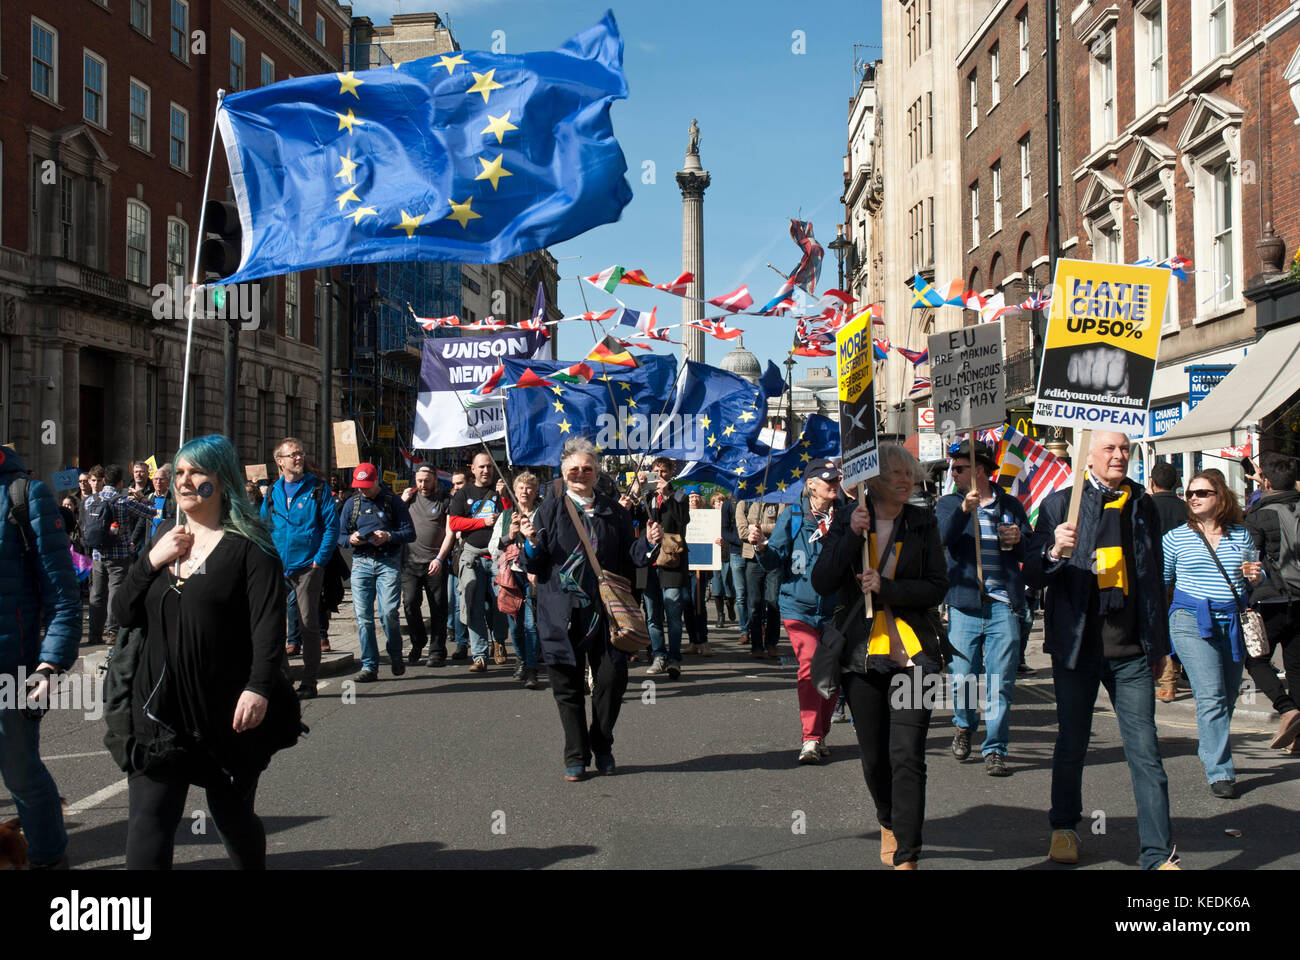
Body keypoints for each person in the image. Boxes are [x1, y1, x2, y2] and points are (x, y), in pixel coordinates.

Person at [112, 434, 301, 869]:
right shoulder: (164, 536)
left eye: (195, 471)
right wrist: (151, 561)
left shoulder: (252, 549)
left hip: (225, 712)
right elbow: (122, 612)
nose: (183, 481)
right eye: (177, 472)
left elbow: (268, 630)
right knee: (148, 824)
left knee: (232, 817)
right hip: (159, 710)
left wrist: (258, 688)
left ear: (222, 479)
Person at [1023, 431, 1178, 870]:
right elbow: (1032, 575)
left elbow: (1150, 578)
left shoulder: (1142, 504)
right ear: (1087, 456)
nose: (1119, 456)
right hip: (1077, 648)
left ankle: (1158, 854)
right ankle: (1064, 827)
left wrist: (1159, 644)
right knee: (1072, 744)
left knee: (1146, 752)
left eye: (1124, 449)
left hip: (1130, 650)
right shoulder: (1060, 504)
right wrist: (1055, 549)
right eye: (1109, 448)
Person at [810, 444, 948, 869]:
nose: (906, 481)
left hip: (914, 655)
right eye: (896, 473)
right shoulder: (850, 520)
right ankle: (887, 819)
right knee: (874, 756)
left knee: (908, 753)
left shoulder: (924, 521)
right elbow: (822, 581)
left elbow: (936, 586)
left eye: (910, 473)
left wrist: (887, 589)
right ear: (872, 479)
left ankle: (907, 852)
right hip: (862, 656)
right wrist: (851, 535)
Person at [521, 438, 646, 780]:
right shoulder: (549, 509)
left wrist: (649, 540)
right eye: (573, 469)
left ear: (596, 472)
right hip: (561, 613)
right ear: (563, 473)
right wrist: (531, 542)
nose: (580, 474)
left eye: (587, 468)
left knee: (612, 679)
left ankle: (602, 743)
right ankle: (575, 754)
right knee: (568, 686)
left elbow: (632, 556)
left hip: (606, 614)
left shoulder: (613, 510)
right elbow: (532, 564)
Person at [0, 444, 82, 869]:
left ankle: (49, 861)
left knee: (20, 774)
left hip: (11, 667)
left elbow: (63, 595)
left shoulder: (23, 494)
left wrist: (50, 664)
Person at [934, 439, 1033, 777]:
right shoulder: (949, 503)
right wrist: (964, 512)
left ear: (979, 471)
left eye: (959, 468)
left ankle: (995, 748)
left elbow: (1028, 552)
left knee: (999, 682)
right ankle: (964, 724)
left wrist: (1020, 540)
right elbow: (942, 540)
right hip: (964, 606)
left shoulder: (1010, 505)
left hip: (1003, 604)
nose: (953, 473)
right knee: (962, 679)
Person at [1162, 469, 1262, 799]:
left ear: (1220, 497)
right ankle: (1220, 770)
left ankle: (1210, 748)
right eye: (1190, 493)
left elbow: (1250, 578)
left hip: (1231, 621)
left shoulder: (1241, 535)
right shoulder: (1175, 538)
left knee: (1229, 695)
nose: (1193, 497)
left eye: (1202, 492)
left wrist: (1255, 576)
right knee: (1212, 695)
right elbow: (1161, 583)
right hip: (1190, 619)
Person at [754, 460, 843, 763]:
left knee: (831, 673)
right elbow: (774, 559)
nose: (833, 483)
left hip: (835, 609)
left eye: (836, 479)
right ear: (811, 484)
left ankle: (820, 733)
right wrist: (761, 547)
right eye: (827, 479)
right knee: (809, 665)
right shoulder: (793, 515)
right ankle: (810, 738)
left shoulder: (844, 515)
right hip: (798, 607)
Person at [262, 438, 338, 699]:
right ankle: (284, 678)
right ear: (279, 461)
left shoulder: (317, 488)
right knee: (273, 624)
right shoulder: (273, 492)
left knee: (308, 624)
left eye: (300, 454)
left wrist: (319, 560)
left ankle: (309, 681)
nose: (298, 458)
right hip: (277, 566)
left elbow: (331, 526)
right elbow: (263, 526)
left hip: (308, 567)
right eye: (292, 454)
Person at [1244, 451, 1300, 752]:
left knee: (1254, 659)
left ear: (1264, 480)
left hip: (1271, 599)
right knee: (1297, 667)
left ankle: (1286, 708)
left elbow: (1249, 560)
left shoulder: (1258, 515)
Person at [338, 463, 413, 682]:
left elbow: (409, 532)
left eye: (366, 486)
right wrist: (350, 540)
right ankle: (369, 665)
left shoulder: (393, 501)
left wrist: (388, 536)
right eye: (359, 486)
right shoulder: (351, 504)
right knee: (363, 618)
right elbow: (340, 536)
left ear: (376, 481)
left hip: (387, 561)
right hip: (361, 562)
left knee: (388, 612)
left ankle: (395, 653)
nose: (362, 490)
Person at [448, 452, 511, 673]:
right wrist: (481, 521)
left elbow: (510, 522)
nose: (486, 471)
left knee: (499, 603)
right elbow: (454, 523)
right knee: (472, 602)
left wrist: (504, 498)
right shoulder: (463, 493)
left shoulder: (500, 490)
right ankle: (479, 655)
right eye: (481, 467)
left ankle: (499, 642)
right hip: (472, 555)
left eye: (489, 467)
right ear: (472, 470)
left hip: (496, 556)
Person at [85, 464, 156, 647]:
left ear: (103, 481)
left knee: (97, 593)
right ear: (120, 482)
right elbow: (151, 513)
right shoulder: (124, 501)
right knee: (115, 592)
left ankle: (94, 633)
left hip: (98, 553)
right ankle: (113, 633)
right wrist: (143, 499)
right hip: (119, 553)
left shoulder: (90, 500)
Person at [636, 458, 690, 678]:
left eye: (664, 471)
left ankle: (674, 658)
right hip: (649, 562)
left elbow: (682, 519)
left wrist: (667, 494)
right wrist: (637, 492)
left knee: (673, 612)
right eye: (655, 471)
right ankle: (658, 654)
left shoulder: (679, 495)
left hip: (672, 562)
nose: (659, 474)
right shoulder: (646, 496)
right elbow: (635, 520)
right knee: (652, 614)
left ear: (671, 472)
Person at [490, 472, 542, 688]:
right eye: (521, 487)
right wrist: (509, 535)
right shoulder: (506, 516)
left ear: (535, 491)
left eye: (529, 487)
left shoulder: (542, 515)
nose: (525, 491)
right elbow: (493, 550)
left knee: (531, 625)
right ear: (514, 490)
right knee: (515, 625)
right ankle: (521, 659)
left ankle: (531, 668)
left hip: (533, 577)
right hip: (511, 577)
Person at [402, 465, 454, 667]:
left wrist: (440, 558)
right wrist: (401, 501)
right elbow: (391, 521)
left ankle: (437, 651)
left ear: (435, 479)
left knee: (438, 608)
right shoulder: (409, 498)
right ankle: (418, 642)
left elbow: (450, 532)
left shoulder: (444, 501)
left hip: (434, 563)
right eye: (419, 480)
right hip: (410, 563)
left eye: (427, 480)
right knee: (409, 603)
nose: (423, 484)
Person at [736, 494, 782, 659]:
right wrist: (758, 531)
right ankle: (756, 644)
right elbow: (742, 531)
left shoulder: (780, 500)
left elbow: (781, 528)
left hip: (773, 557)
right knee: (754, 603)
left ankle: (772, 643)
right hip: (752, 559)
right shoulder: (744, 501)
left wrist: (758, 529)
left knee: (773, 602)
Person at [446, 469, 471, 659]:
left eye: (460, 483)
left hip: (475, 555)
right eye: (454, 484)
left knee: (483, 605)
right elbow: (450, 529)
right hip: (454, 558)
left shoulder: (475, 501)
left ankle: (495, 641)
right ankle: (461, 642)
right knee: (455, 601)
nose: (456, 487)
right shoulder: (451, 503)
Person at [710, 489, 740, 628]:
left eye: (721, 501)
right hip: (715, 555)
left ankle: (730, 604)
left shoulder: (729, 516)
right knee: (716, 585)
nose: (719, 504)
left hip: (727, 553)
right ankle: (720, 615)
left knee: (729, 584)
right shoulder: (708, 518)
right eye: (716, 502)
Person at [150, 465, 176, 539]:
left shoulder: (174, 499)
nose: (158, 482)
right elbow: (141, 523)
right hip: (151, 540)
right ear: (152, 481)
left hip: (166, 540)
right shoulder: (148, 498)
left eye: (161, 479)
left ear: (168, 481)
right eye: (156, 479)